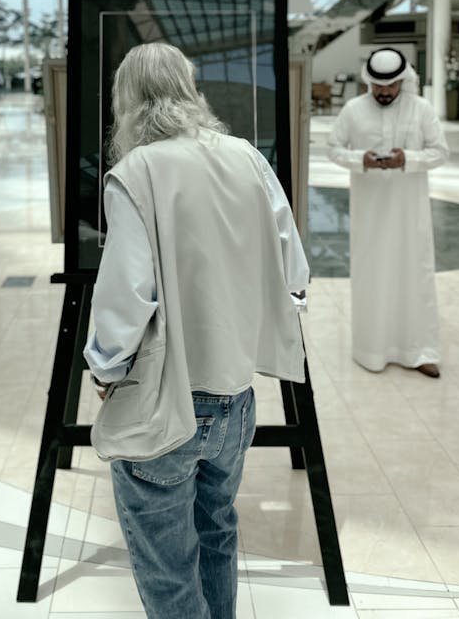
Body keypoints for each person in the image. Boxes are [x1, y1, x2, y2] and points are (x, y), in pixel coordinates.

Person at [83, 42, 308, 619]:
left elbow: (126, 296)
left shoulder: (136, 171)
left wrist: (107, 370)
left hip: (167, 401)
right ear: (189, 87)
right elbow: (295, 273)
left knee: (167, 566)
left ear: (125, 99)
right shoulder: (245, 158)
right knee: (216, 535)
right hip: (236, 399)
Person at [327, 47, 448, 378]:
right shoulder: (353, 110)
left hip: (411, 213)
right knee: (374, 277)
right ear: (369, 82)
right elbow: (333, 148)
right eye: (379, 86)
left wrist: (407, 159)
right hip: (370, 215)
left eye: (391, 85)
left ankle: (421, 351)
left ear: (403, 81)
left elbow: (440, 152)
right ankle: (372, 351)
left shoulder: (422, 109)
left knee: (415, 276)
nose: (384, 92)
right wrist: (359, 160)